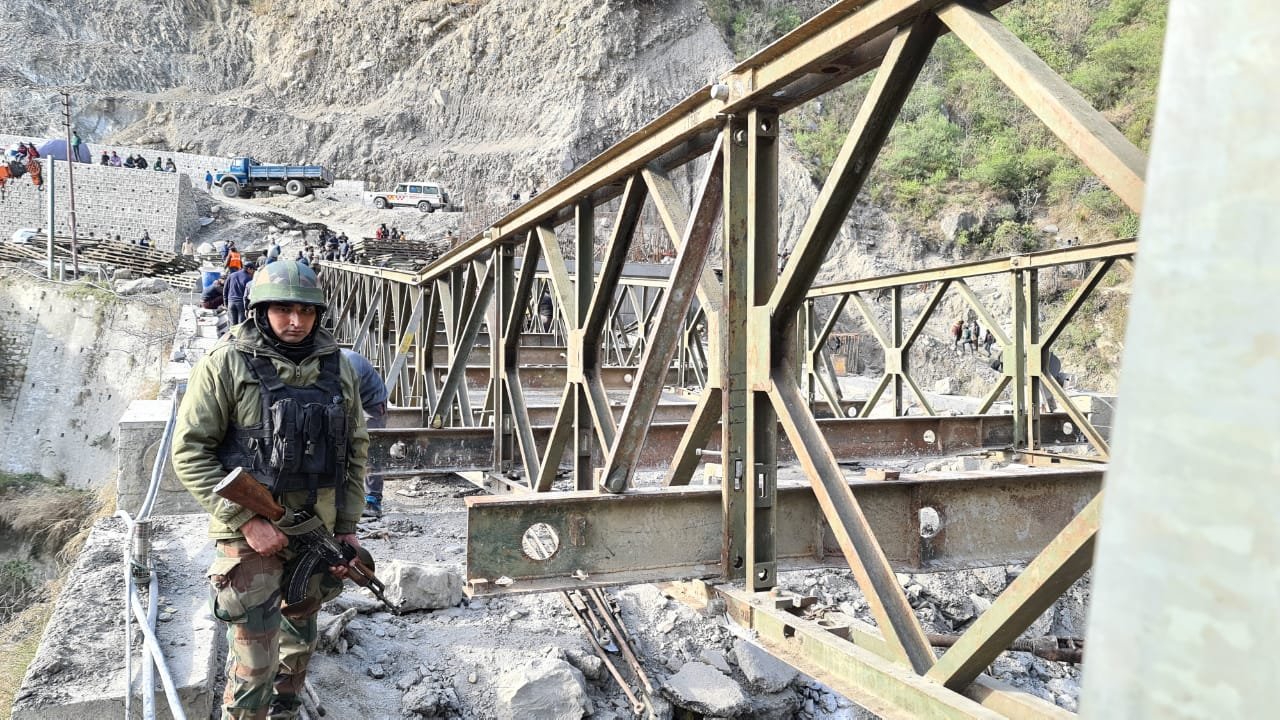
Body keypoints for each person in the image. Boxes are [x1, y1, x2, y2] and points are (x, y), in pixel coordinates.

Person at [172, 260, 369, 719]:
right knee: (254, 665)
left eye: (306, 311)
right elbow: (191, 453)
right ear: (261, 311)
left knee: (299, 646)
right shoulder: (226, 363)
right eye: (283, 310)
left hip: (314, 532)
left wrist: (347, 528)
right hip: (250, 536)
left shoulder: (338, 368)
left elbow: (355, 452)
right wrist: (249, 520)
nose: (296, 322)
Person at [340, 349, 389, 518]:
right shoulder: (327, 362)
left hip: (371, 404)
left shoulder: (351, 364)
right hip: (351, 399)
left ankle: (373, 500)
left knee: (370, 449)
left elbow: (348, 402)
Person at [224, 259, 258, 328]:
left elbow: (225, 290)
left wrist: (226, 303)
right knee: (241, 326)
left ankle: (233, 337)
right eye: (253, 270)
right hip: (241, 304)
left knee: (233, 325)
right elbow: (248, 294)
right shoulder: (249, 279)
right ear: (249, 269)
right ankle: (239, 338)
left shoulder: (232, 275)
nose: (253, 272)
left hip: (231, 302)